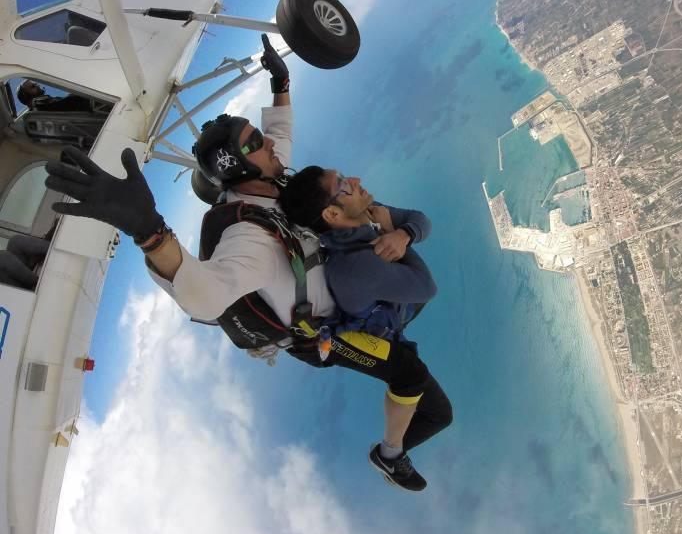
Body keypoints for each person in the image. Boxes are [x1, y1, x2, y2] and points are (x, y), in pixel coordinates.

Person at [44, 35, 451, 491]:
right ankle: (388, 457)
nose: (271, 146)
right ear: (241, 169)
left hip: (349, 300)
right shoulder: (250, 237)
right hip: (324, 335)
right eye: (255, 143)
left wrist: (280, 83)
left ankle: (402, 418)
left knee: (436, 408)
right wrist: (149, 231)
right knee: (409, 373)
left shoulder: (271, 186)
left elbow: (281, 137)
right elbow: (205, 297)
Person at [278, 165, 445, 488]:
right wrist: (391, 235)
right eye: (343, 185)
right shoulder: (356, 266)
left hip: (388, 313)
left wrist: (404, 233)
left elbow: (421, 219)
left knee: (437, 411)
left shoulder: (362, 214)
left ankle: (391, 453)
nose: (354, 180)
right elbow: (426, 287)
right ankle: (389, 454)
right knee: (413, 379)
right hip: (352, 337)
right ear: (331, 213)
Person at [16, 80, 93, 113]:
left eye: (35, 84)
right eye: (33, 86)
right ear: (26, 96)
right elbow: (66, 104)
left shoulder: (38, 107)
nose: (37, 85)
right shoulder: (38, 103)